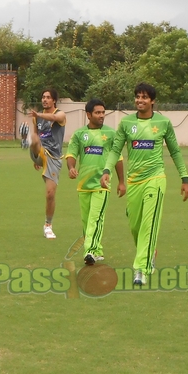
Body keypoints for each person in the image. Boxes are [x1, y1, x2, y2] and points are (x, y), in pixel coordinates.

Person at [100, 83, 188, 286]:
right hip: (134, 181)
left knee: (149, 225)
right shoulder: (126, 123)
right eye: (137, 97)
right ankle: (150, 252)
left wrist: (184, 178)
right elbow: (115, 150)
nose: (140, 100)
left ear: (152, 101)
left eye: (144, 97)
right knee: (135, 225)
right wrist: (106, 170)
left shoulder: (163, 123)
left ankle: (141, 269)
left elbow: (175, 151)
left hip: (155, 179)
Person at [64, 98, 125, 265]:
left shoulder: (111, 134)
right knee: (86, 221)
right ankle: (97, 250)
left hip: (102, 185)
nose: (101, 115)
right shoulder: (79, 135)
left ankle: (89, 251)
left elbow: (118, 158)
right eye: (97, 112)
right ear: (88, 115)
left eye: (103, 112)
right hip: (83, 185)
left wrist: (121, 182)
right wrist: (71, 168)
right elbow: (71, 154)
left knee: (95, 219)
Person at [22, 89, 66, 239]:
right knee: (34, 138)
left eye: (48, 97)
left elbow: (54, 117)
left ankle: (48, 225)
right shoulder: (37, 119)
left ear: (54, 100)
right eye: (43, 97)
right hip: (40, 151)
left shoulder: (61, 115)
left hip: (54, 157)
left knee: (50, 194)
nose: (45, 100)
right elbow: (37, 134)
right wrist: (36, 156)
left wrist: (39, 115)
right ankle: (27, 142)